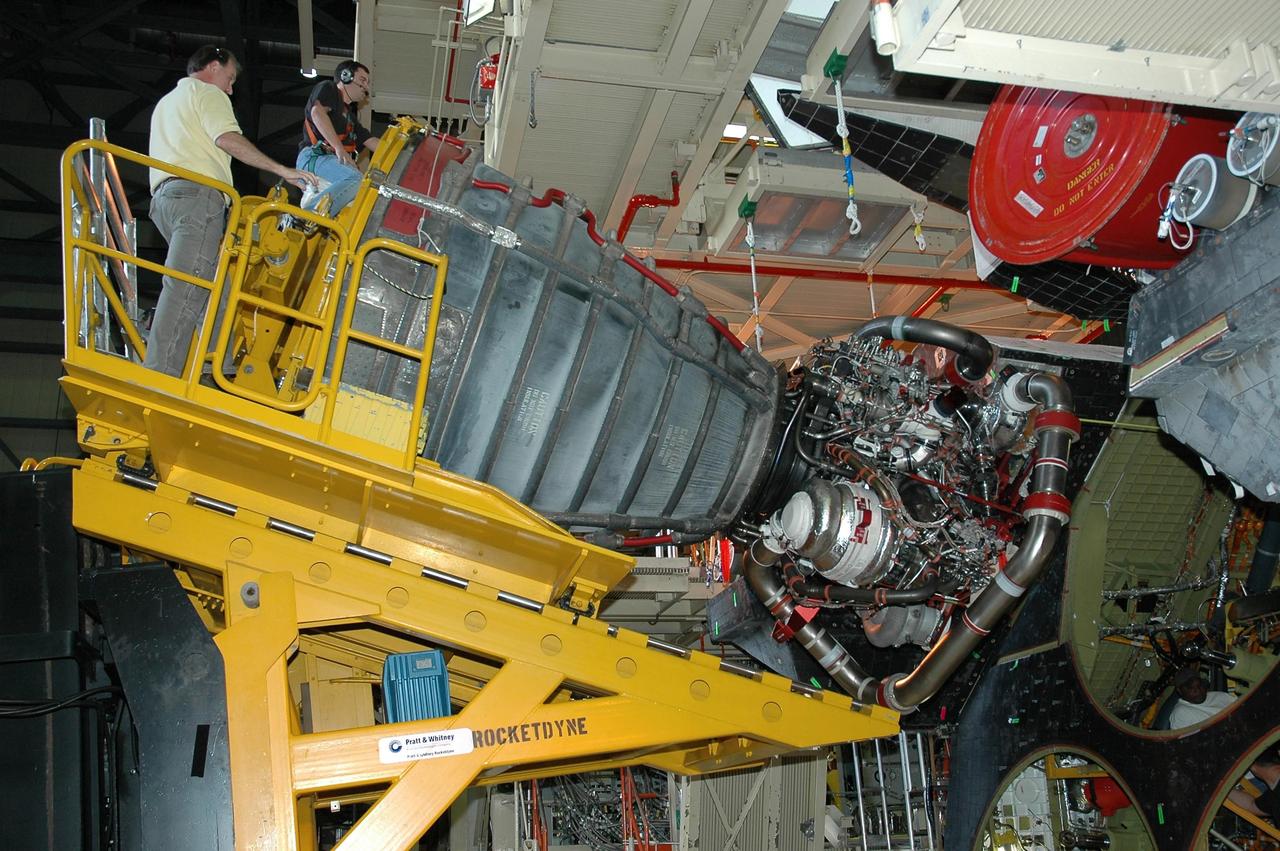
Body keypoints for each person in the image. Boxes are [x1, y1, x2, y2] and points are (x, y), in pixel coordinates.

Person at [147, 45, 319, 378]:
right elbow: (227, 138)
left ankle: (216, 370)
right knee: (186, 287)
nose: (229, 88)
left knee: (218, 293)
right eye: (229, 78)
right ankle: (160, 375)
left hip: (166, 202)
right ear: (213, 66)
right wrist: (282, 170)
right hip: (198, 199)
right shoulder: (207, 94)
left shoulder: (167, 103)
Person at [297, 60, 380, 215]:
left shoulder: (351, 119)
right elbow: (317, 113)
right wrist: (339, 149)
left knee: (363, 198)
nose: (366, 87)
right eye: (362, 80)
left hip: (328, 165)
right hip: (315, 158)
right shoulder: (329, 89)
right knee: (356, 180)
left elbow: (374, 143)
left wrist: (409, 148)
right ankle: (310, 215)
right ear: (346, 76)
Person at [1168, 665, 1236, 729]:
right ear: (1180, 690)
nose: (1198, 690)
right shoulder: (1180, 714)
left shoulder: (1221, 696)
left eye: (1199, 685)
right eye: (1191, 687)